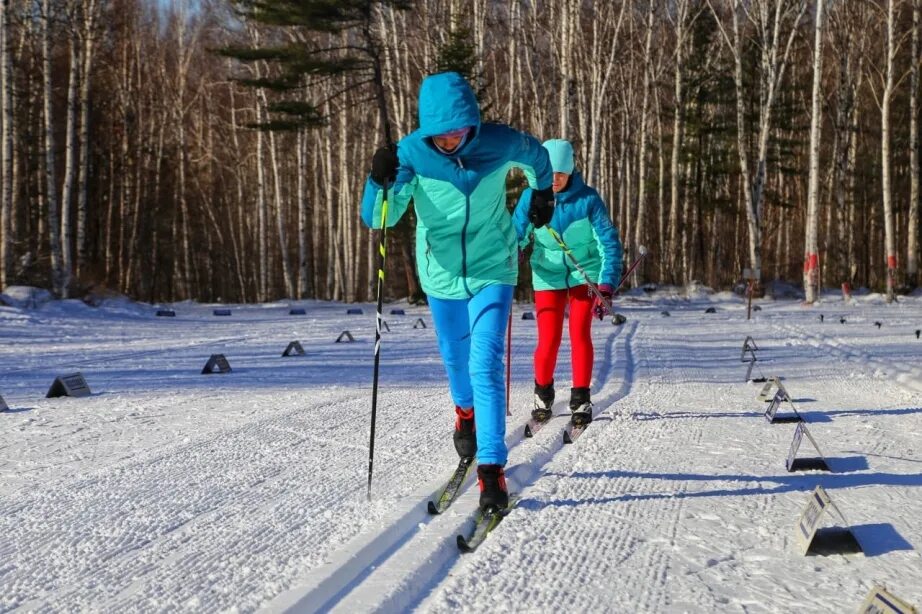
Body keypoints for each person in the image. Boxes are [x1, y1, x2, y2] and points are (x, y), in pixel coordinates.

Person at [360, 72, 555, 512]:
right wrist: (378, 180)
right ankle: (463, 412)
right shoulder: (409, 154)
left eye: (461, 131)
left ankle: (492, 471)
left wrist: (543, 194)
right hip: (441, 273)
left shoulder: (498, 142)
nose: (453, 140)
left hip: (493, 267)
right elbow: (379, 219)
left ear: (473, 122)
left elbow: (539, 157)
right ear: (428, 131)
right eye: (443, 135)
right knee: (455, 359)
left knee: (484, 361)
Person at [513, 139, 622, 426]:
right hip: (546, 274)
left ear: (571, 171)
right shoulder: (530, 197)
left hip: (583, 273)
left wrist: (606, 285)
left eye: (560, 174)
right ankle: (542, 393)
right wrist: (517, 250)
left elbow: (608, 244)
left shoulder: (588, 199)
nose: (555, 180)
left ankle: (581, 397)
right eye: (550, 174)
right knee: (548, 339)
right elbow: (515, 233)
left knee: (579, 333)